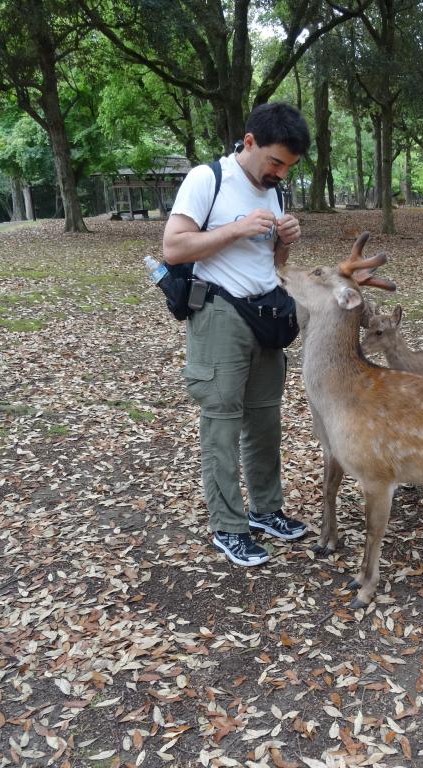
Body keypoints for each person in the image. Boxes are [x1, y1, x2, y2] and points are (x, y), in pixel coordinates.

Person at [162, 102, 310, 567]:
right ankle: (229, 527)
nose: (281, 174)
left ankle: (267, 510)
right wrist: (236, 228)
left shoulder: (274, 193)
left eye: (289, 167)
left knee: (265, 422)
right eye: (276, 162)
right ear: (249, 142)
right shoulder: (208, 179)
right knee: (222, 424)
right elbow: (173, 247)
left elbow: (271, 265)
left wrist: (284, 242)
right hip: (219, 314)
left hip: (267, 314)